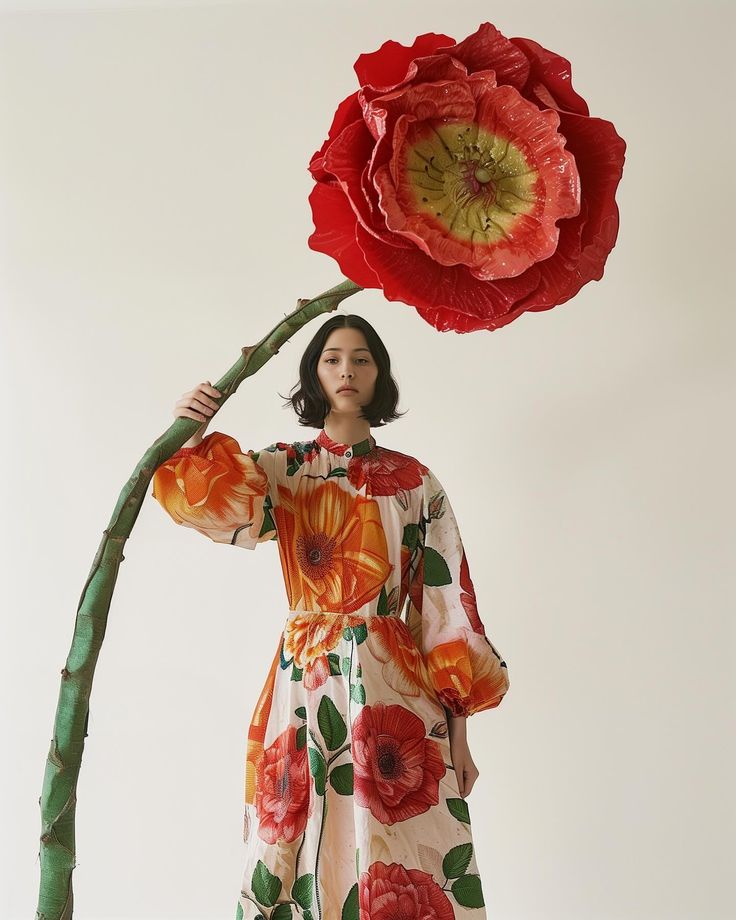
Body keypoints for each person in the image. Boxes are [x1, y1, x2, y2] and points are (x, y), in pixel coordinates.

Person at [152, 314, 510, 920]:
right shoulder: (285, 468)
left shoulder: (416, 483)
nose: (348, 371)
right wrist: (193, 435)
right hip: (307, 680)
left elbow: (446, 613)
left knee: (400, 839)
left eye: (362, 359)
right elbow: (214, 507)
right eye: (333, 358)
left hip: (395, 687)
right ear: (314, 373)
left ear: (380, 374)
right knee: (296, 833)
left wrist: (461, 739)